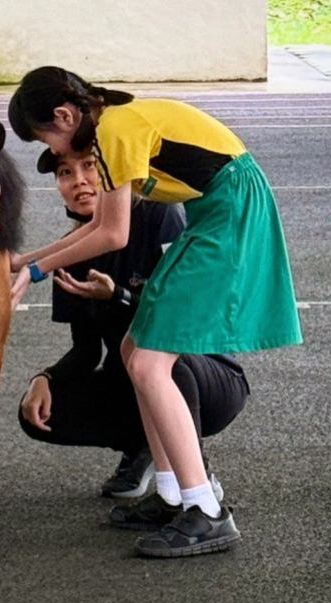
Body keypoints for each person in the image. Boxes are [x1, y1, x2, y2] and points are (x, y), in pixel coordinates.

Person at [8, 67, 303, 558]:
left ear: (64, 115)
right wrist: (24, 260)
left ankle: (205, 509)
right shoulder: (110, 126)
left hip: (230, 207)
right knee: (131, 349)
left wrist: (34, 271)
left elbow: (113, 235)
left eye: (47, 137)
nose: (57, 152)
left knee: (147, 361)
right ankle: (171, 494)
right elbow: (101, 222)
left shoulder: (114, 130)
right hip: (219, 205)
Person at [17, 147, 250, 510]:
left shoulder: (160, 216)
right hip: (134, 379)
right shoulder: (67, 256)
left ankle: (198, 483)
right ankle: (144, 451)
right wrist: (44, 378)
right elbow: (86, 350)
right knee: (41, 410)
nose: (78, 180)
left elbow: (188, 314)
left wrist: (119, 296)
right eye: (65, 173)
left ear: (111, 176)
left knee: (159, 355)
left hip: (208, 374)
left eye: (90, 166)